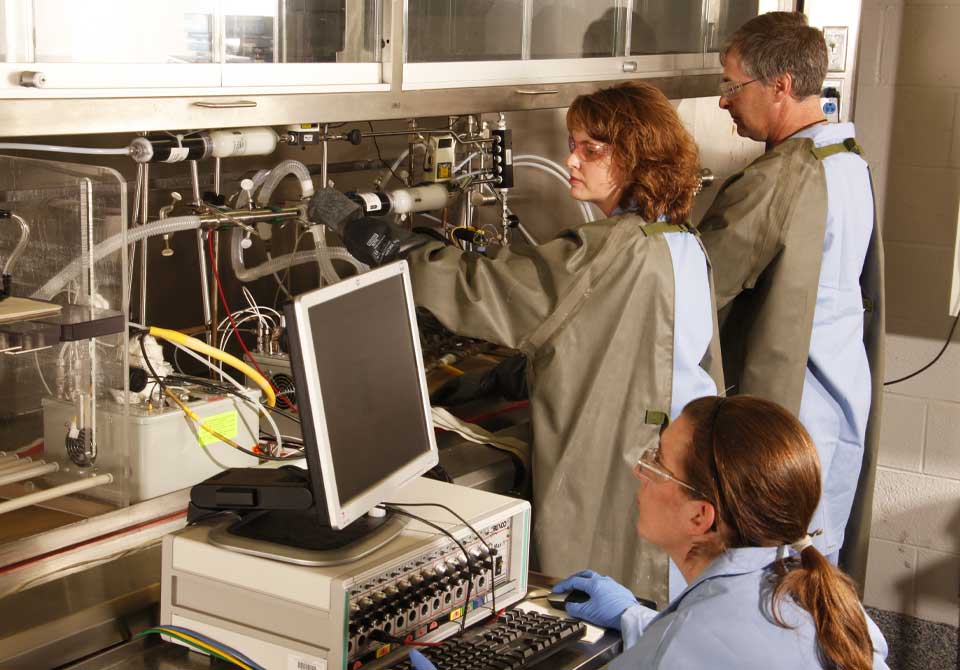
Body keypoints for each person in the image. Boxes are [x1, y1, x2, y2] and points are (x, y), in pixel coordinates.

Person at [311, 81, 723, 598]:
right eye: (572, 145)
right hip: (681, 466)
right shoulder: (682, 239)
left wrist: (370, 238)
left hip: (619, 468)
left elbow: (481, 286)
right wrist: (520, 374)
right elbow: (628, 344)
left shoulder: (608, 250)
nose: (572, 160)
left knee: (590, 609)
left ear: (640, 156)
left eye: (591, 150)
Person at [697, 12, 885, 570]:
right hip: (833, 418)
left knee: (772, 597)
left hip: (787, 429)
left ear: (779, 85)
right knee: (811, 588)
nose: (725, 102)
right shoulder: (848, 159)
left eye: (732, 86)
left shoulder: (779, 178)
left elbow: (695, 287)